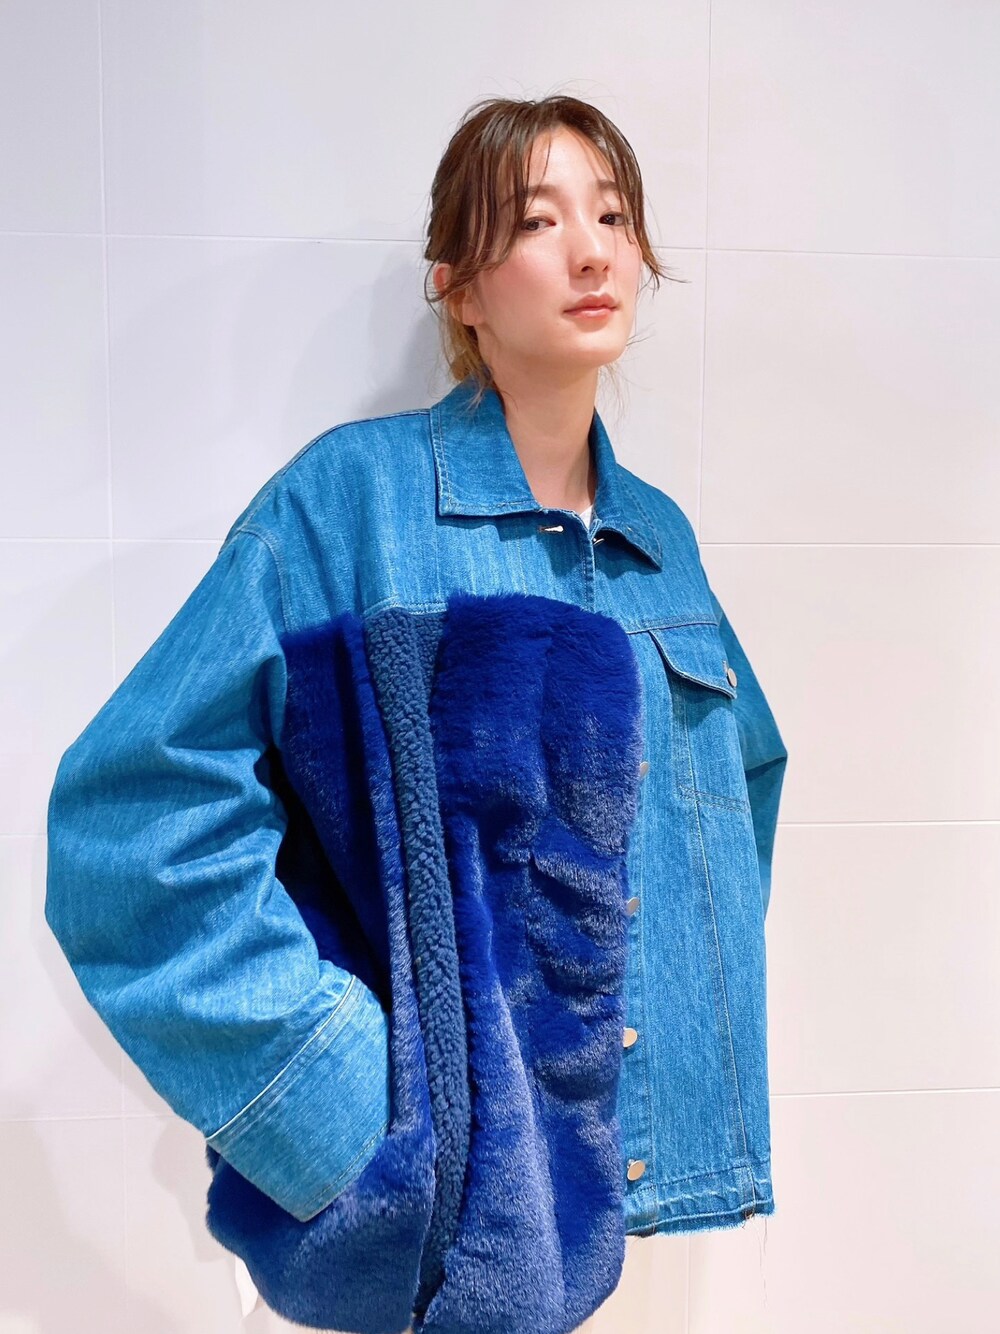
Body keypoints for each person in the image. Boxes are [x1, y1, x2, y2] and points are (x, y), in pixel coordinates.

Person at [44, 95, 787, 1334]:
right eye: (538, 222)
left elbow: (734, 803)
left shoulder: (660, 541)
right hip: (440, 1248)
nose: (592, 252)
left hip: (651, 1211)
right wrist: (349, 1111)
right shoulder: (352, 502)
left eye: (612, 217)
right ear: (457, 281)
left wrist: (679, 1062)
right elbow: (132, 829)